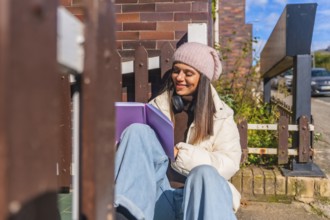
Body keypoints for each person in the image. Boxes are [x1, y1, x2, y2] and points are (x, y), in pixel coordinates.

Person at [114, 42, 242, 220]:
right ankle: (125, 214)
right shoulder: (157, 107)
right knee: (137, 132)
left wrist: (180, 154)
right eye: (176, 71)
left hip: (198, 202)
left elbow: (229, 163)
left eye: (188, 73)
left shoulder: (221, 115)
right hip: (160, 198)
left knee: (204, 173)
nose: (179, 77)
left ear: (202, 79)